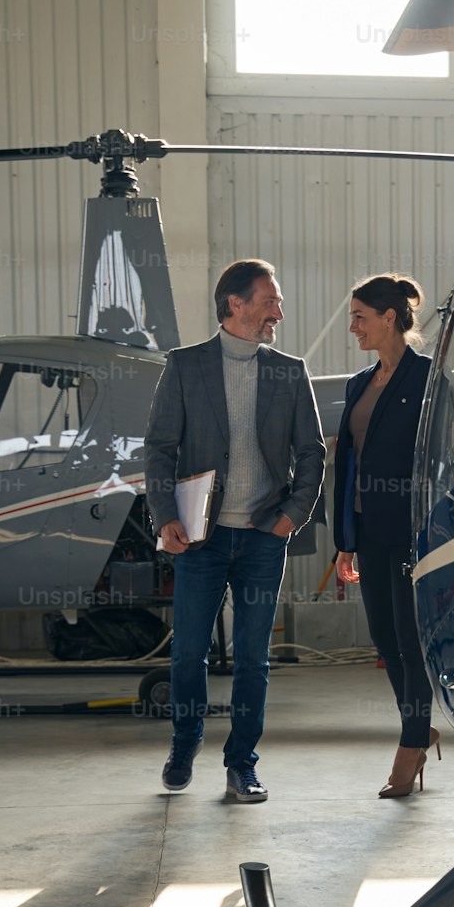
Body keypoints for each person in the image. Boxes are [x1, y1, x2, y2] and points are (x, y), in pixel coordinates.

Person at [145, 258, 325, 802]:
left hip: (262, 537)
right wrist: (165, 516)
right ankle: (184, 744)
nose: (279, 311)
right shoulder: (185, 366)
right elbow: (158, 449)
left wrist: (295, 513)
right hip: (200, 537)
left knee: (253, 657)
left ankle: (241, 763)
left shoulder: (289, 371)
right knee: (188, 652)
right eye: (270, 300)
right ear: (235, 305)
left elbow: (312, 452)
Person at [334, 274, 439, 797]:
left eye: (360, 316)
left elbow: (440, 457)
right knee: (383, 638)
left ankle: (412, 742)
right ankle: (417, 731)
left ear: (389, 317)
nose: (352, 327)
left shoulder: (427, 379)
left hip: (410, 532)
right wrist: (344, 541)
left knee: (408, 639)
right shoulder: (359, 384)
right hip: (367, 530)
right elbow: (348, 465)